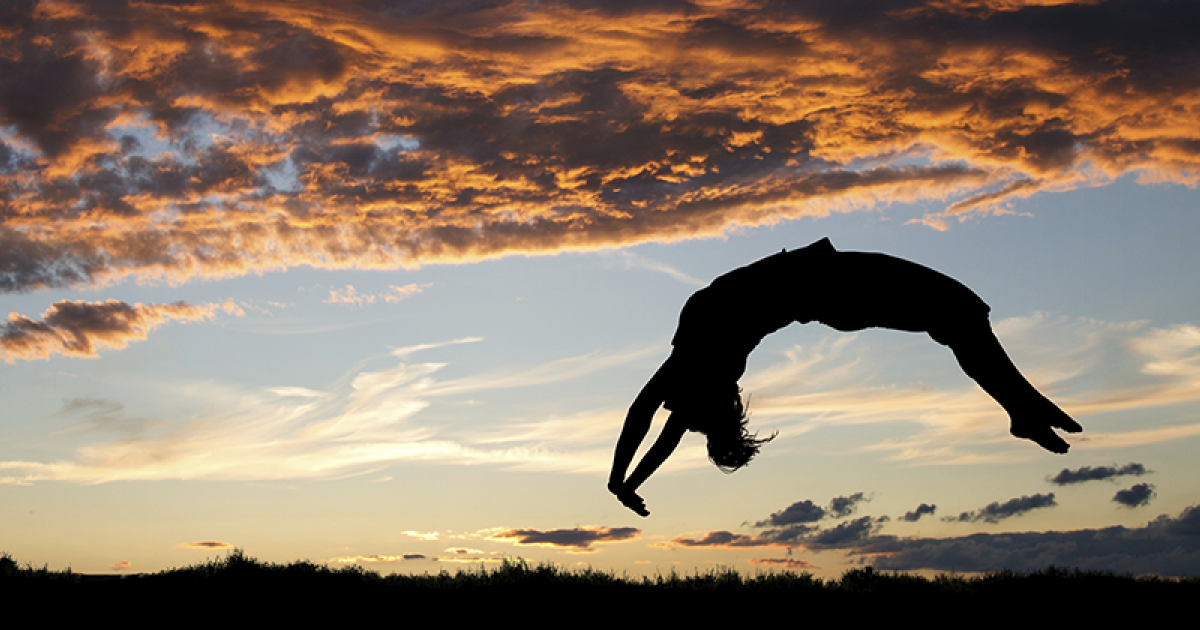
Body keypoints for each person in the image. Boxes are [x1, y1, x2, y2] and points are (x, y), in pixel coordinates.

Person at [608, 237, 1082, 516]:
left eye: (700, 424)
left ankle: (1021, 408)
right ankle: (1021, 406)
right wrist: (625, 482)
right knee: (957, 310)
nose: (685, 420)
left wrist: (623, 482)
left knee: (959, 313)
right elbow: (654, 426)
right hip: (829, 284)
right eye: (702, 424)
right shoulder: (702, 370)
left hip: (828, 283)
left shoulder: (695, 370)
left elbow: (647, 420)